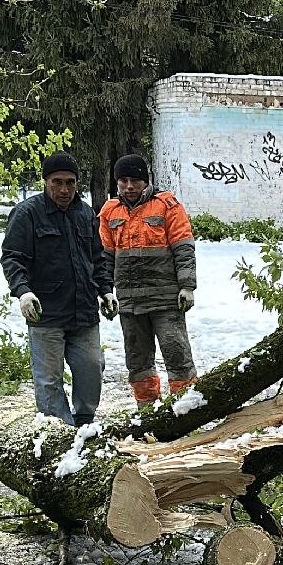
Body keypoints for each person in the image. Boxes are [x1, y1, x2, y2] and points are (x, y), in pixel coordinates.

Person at [2, 151, 111, 426]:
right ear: (46, 182)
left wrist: (106, 290)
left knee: (91, 368)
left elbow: (97, 257)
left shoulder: (85, 214)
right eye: (57, 182)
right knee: (48, 379)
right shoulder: (27, 214)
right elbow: (12, 257)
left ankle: (84, 422)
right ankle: (58, 432)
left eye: (70, 183)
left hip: (84, 311)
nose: (64, 189)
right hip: (45, 313)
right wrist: (23, 291)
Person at [97, 154, 198, 405]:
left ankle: (186, 407)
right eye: (123, 181)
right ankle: (147, 412)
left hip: (166, 300)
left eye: (135, 180)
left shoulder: (167, 205)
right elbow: (104, 257)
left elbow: (183, 247)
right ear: (117, 183)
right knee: (138, 361)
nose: (129, 186)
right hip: (130, 303)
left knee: (177, 354)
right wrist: (105, 290)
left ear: (146, 181)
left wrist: (187, 286)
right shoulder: (109, 212)